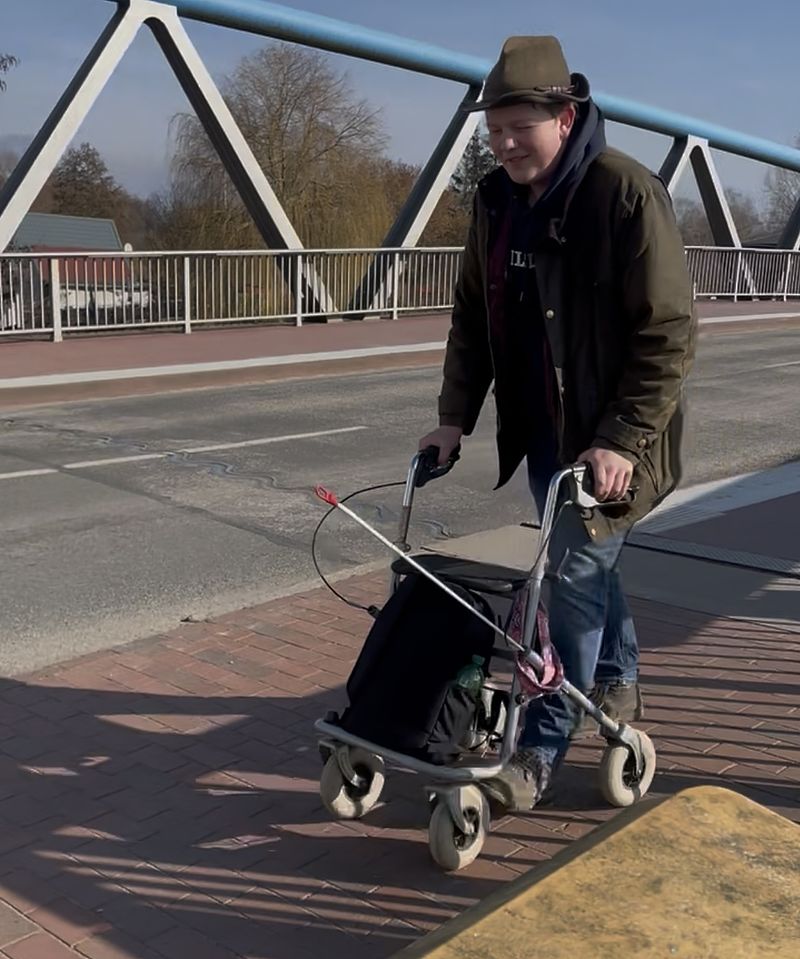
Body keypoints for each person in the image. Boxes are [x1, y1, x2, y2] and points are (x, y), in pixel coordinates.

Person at [418, 35, 696, 810]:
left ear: (566, 117)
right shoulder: (495, 201)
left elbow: (668, 332)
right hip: (542, 433)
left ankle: (538, 749)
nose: (505, 144)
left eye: (520, 127)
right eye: (493, 129)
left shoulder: (624, 193)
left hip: (615, 442)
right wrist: (452, 418)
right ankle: (619, 681)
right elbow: (473, 316)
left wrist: (620, 440)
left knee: (570, 577)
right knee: (586, 566)